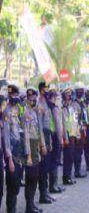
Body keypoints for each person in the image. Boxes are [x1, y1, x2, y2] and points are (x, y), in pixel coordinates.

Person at [23, 87, 46, 213]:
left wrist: (42, 145)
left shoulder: (35, 112)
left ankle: (31, 204)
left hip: (36, 146)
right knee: (31, 178)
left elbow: (39, 129)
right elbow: (26, 134)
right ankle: (29, 207)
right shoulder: (25, 112)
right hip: (30, 148)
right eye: (30, 97)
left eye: (34, 97)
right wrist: (28, 154)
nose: (33, 99)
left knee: (35, 177)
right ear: (27, 98)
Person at [3, 85, 24, 213]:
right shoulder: (6, 112)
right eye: (13, 96)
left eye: (16, 95)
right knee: (12, 183)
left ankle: (13, 207)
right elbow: (5, 136)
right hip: (11, 151)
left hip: (18, 149)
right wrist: (9, 158)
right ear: (9, 97)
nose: (15, 98)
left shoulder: (16, 110)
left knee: (17, 182)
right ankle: (11, 209)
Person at [37, 82, 55, 204]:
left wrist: (50, 141)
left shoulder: (47, 103)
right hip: (41, 136)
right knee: (42, 168)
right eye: (45, 89)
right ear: (40, 90)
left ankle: (46, 193)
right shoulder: (39, 104)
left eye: (48, 88)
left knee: (47, 165)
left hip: (47, 135)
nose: (47, 91)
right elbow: (39, 125)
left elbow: (49, 123)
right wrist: (42, 143)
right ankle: (42, 195)